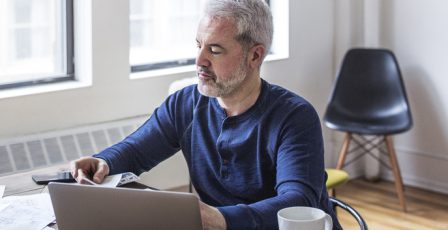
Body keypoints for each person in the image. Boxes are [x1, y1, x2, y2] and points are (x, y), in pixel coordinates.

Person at [71, 0, 342, 229]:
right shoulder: (185, 104)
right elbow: (135, 151)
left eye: (214, 50)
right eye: (198, 45)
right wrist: (102, 162)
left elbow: (298, 203)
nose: (199, 60)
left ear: (255, 56)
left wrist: (222, 218)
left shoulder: (294, 116)